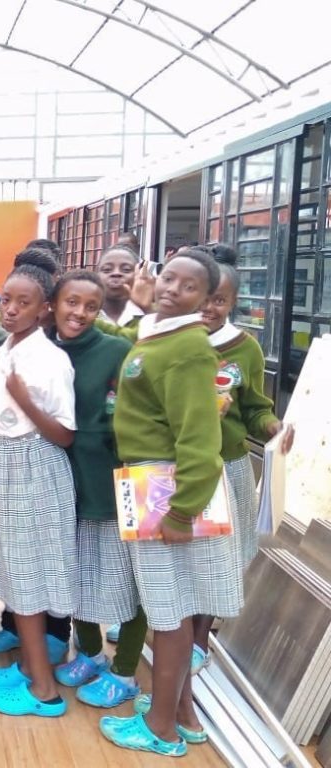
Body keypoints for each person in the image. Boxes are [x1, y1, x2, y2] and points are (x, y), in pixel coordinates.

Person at [100, 249, 240, 757]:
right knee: (170, 607)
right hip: (147, 480)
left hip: (167, 487)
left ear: (206, 302)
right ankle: (182, 714)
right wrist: (142, 308)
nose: (171, 289)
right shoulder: (159, 335)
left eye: (188, 287)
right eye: (168, 277)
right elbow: (132, 349)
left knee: (169, 611)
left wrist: (182, 512)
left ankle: (159, 729)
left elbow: (200, 438)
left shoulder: (188, 348)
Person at [188, 244, 293, 672]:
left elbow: (256, 408)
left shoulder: (244, 349)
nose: (209, 307)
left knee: (219, 557)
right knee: (177, 554)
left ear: (233, 302)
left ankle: (198, 639)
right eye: (204, 297)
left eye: (220, 299)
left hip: (225, 470)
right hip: (176, 469)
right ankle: (165, 624)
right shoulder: (172, 341)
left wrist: (273, 426)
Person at [0, 262, 77, 718]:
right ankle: (28, 665)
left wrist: (23, 400)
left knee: (30, 576)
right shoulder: (9, 347)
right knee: (21, 573)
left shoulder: (51, 359)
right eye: (6, 300)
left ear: (44, 310)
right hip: (9, 462)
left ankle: (45, 690)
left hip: (35, 463)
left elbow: (65, 435)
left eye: (24, 303)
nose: (11, 310)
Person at [47, 270, 147, 709]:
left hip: (110, 481)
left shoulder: (117, 351)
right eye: (72, 302)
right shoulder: (43, 350)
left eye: (91, 306)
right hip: (58, 479)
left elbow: (130, 417)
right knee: (76, 574)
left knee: (128, 579)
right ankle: (89, 654)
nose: (80, 313)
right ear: (53, 303)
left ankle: (124, 669)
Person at [97, 246, 144, 329]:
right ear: (97, 275)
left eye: (126, 269)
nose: (116, 273)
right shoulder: (84, 315)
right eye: (107, 269)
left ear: (138, 274)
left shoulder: (151, 316)